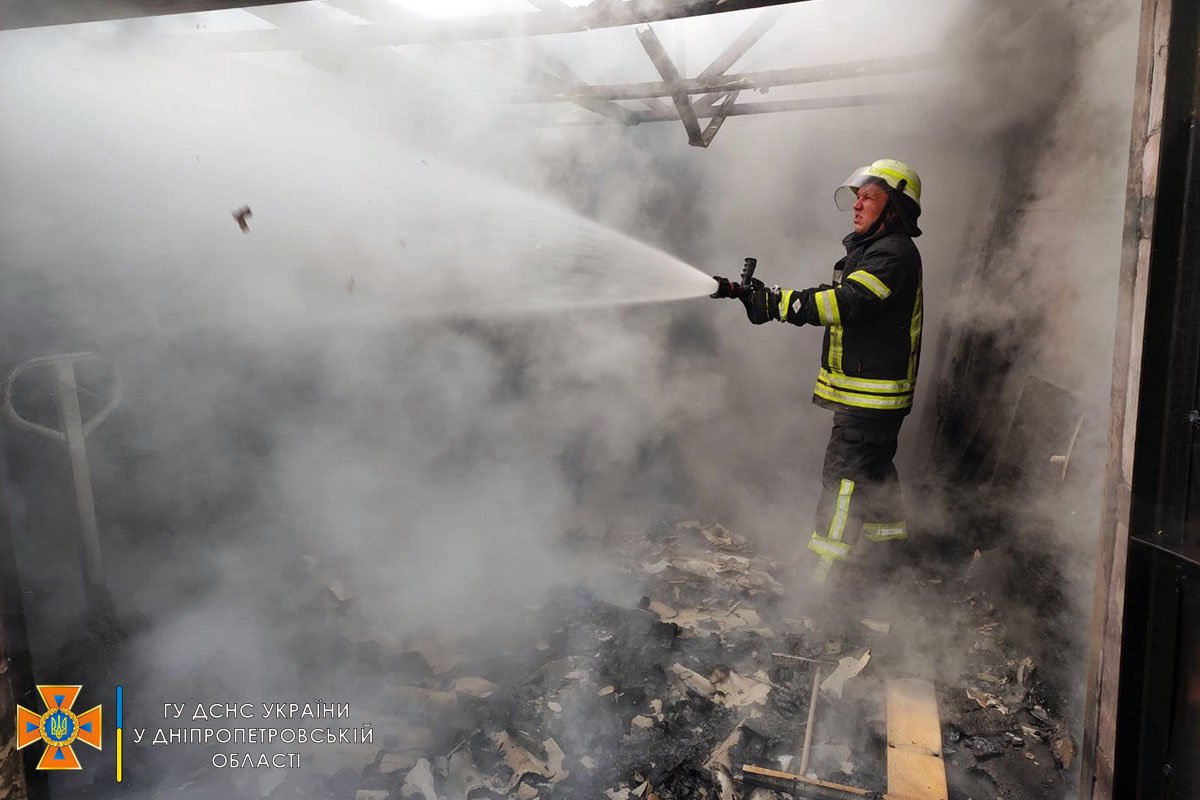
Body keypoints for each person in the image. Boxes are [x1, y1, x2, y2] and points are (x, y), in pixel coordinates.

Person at [712, 158, 924, 587]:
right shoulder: (872, 252)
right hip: (870, 396)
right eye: (857, 197)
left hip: (870, 398)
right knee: (876, 473)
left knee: (843, 480)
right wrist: (772, 299)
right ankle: (890, 563)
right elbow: (840, 297)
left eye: (870, 198)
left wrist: (776, 304)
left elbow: (846, 303)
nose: (857, 206)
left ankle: (819, 581)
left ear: (895, 208)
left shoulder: (894, 254)